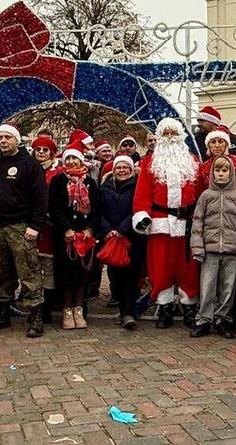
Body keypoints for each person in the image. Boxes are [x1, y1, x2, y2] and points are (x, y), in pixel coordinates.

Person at [133, 118, 202, 328]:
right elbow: (142, 193)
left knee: (188, 268)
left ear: (180, 136)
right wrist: (142, 216)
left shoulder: (192, 162)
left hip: (186, 223)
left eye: (174, 133)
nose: (170, 138)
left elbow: (200, 193)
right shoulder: (149, 163)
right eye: (166, 134)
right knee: (160, 267)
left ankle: (189, 306)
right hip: (160, 223)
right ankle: (164, 307)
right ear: (160, 137)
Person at [0, 123, 48, 337]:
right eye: (0, 137)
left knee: (28, 271)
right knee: (1, 272)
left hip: (21, 227)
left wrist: (34, 225)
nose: (3, 141)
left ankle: (35, 314)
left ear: (17, 140)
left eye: (7, 137)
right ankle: (2, 312)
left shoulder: (30, 164)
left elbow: (41, 198)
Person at [190, 155, 236, 338]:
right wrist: (198, 248)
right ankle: (203, 320)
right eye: (218, 170)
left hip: (232, 252)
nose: (221, 174)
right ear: (212, 173)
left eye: (225, 170)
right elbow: (197, 223)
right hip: (210, 251)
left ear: (231, 172)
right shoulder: (206, 196)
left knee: (228, 288)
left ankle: (222, 320)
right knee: (207, 287)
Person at [49, 148, 100, 329]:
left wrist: (90, 229)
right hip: (65, 236)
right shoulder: (58, 181)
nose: (71, 161)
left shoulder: (91, 183)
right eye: (68, 158)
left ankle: (79, 309)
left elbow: (96, 209)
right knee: (65, 275)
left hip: (84, 236)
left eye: (74, 158)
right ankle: (67, 310)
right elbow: (54, 208)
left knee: (81, 275)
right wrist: (66, 228)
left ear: (81, 161)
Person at [100, 155, 143, 329]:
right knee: (115, 275)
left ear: (132, 169)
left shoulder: (137, 187)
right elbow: (98, 210)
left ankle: (128, 312)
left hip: (130, 237)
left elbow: (137, 208)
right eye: (119, 167)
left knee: (130, 276)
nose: (122, 170)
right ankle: (122, 307)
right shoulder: (104, 188)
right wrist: (107, 229)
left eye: (126, 167)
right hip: (110, 237)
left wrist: (122, 229)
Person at [30, 134, 62, 322]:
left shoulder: (57, 174)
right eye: (38, 149)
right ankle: (36, 306)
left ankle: (48, 308)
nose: (41, 152)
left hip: (50, 228)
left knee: (48, 268)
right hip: (32, 226)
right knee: (33, 268)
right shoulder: (30, 169)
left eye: (45, 150)